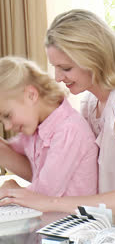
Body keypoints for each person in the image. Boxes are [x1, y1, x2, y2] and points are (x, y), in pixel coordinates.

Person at [0, 9, 115, 216]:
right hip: (109, 226)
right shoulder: (91, 104)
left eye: (66, 68)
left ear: (94, 57)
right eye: (55, 68)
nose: (58, 78)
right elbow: (57, 174)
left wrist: (47, 201)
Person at [0, 56, 98, 197]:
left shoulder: (69, 130)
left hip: (74, 218)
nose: (7, 127)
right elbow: (10, 149)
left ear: (31, 95)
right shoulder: (35, 128)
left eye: (8, 115)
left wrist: (11, 188)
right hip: (50, 215)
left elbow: (46, 192)